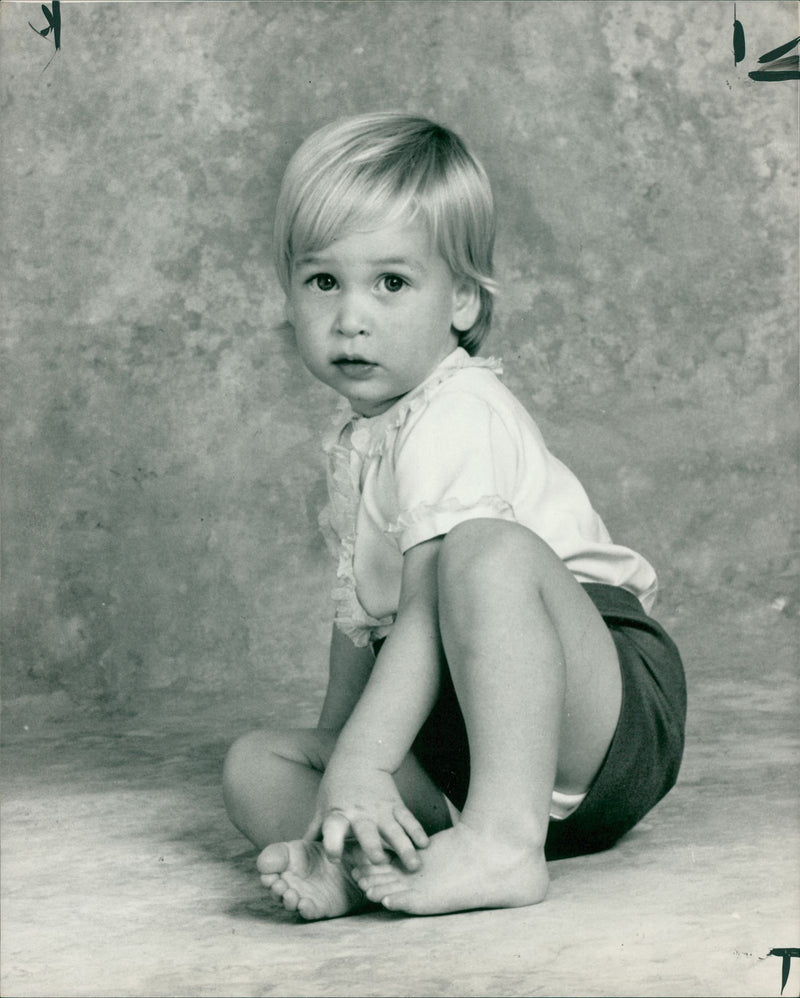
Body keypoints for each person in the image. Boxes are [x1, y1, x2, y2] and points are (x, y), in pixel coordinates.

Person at [222, 111, 687, 920]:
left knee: (485, 551)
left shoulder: (457, 409)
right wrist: (344, 787)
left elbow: (435, 605)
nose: (351, 317)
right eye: (323, 281)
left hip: (599, 711)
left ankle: (505, 846)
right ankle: (368, 858)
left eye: (392, 283)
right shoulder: (362, 441)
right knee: (255, 765)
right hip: (473, 744)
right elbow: (361, 629)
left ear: (464, 300)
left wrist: (366, 760)